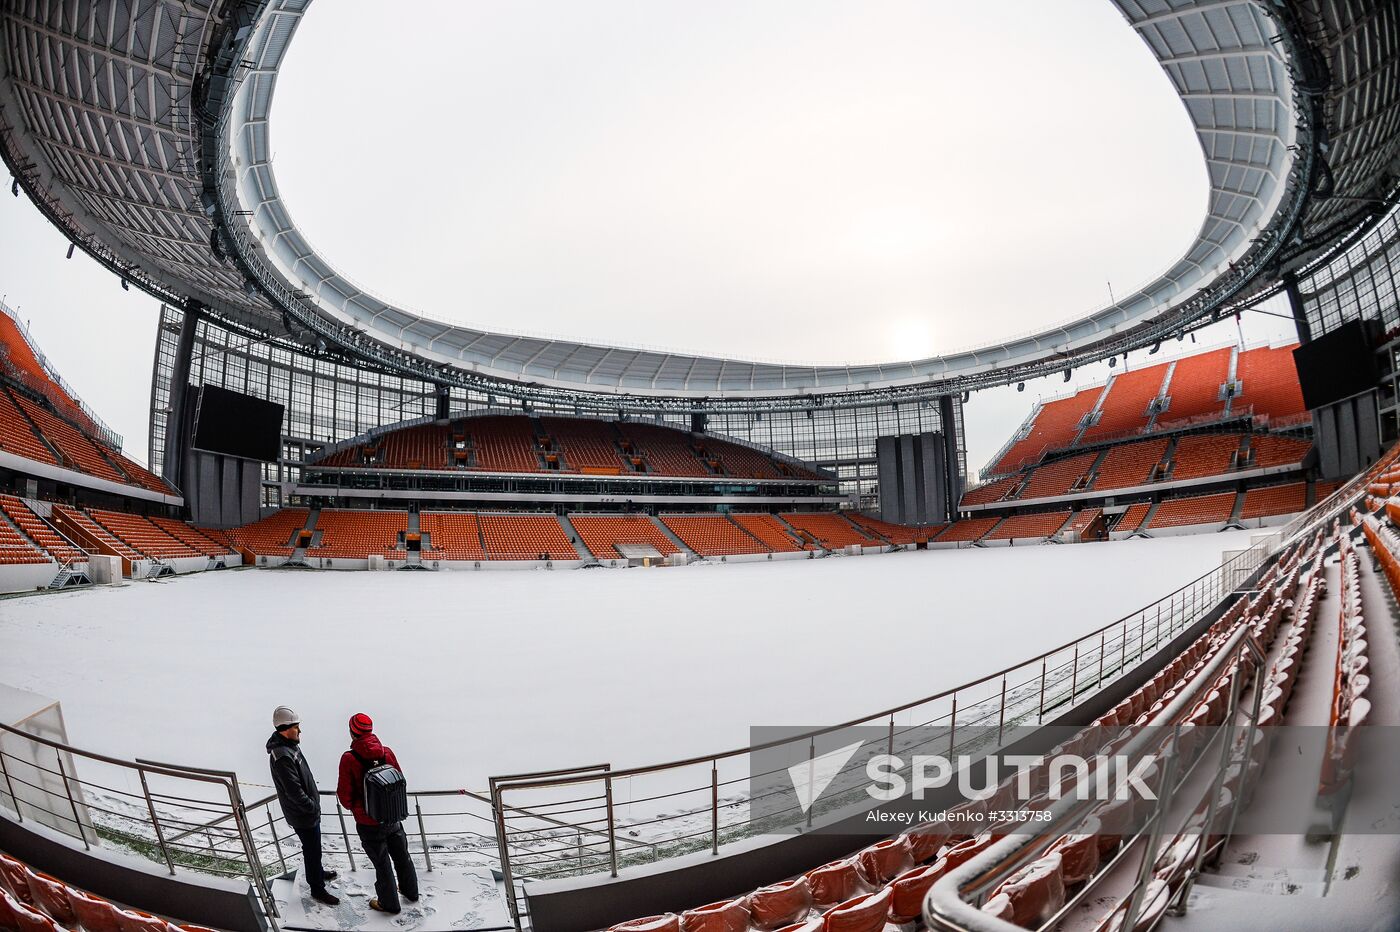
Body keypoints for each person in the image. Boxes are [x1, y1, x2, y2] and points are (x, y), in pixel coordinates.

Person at [337, 713, 419, 913]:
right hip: (392, 817)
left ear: (352, 732)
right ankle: (411, 892)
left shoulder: (349, 759)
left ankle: (389, 903)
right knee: (402, 856)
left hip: (368, 823)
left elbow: (345, 797)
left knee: (382, 864)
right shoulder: (387, 753)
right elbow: (399, 779)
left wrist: (359, 808)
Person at [266, 706, 338, 906]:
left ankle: (318, 873)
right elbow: (294, 791)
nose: (300, 731)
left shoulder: (289, 745)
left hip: (306, 812)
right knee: (312, 849)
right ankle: (317, 888)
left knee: (314, 849)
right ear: (285, 728)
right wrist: (312, 806)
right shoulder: (282, 756)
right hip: (303, 814)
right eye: (297, 727)